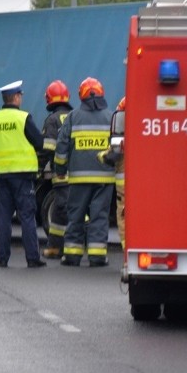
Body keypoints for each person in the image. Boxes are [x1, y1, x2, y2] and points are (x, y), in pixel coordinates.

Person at [0, 80, 46, 269]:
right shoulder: (23, 118)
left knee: (3, 217)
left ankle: (1, 259)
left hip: (2, 175)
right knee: (27, 216)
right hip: (23, 174)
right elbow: (39, 142)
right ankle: (32, 258)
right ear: (16, 97)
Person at [54, 77, 114, 267]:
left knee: (76, 215)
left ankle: (72, 254)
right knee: (99, 215)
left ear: (81, 95)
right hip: (104, 178)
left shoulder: (73, 116)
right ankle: (97, 256)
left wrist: (60, 169)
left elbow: (62, 146)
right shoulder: (110, 117)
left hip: (78, 178)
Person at [37, 80, 74, 259]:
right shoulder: (76, 115)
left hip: (61, 174)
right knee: (69, 210)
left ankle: (57, 247)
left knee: (62, 209)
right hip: (79, 173)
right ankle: (59, 246)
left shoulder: (52, 120)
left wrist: (38, 168)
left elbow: (48, 148)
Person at [97, 96, 126, 251]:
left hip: (125, 190)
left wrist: (102, 156)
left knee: (124, 220)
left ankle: (127, 255)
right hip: (146, 188)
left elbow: (113, 156)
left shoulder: (122, 137)